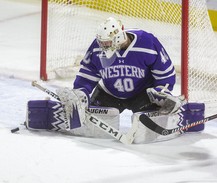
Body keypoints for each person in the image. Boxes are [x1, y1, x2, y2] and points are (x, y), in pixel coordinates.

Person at [52, 17, 204, 143]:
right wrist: (82, 92)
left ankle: (182, 115)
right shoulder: (97, 47)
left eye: (107, 43)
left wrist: (161, 91)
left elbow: (165, 74)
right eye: (101, 42)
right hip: (108, 93)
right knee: (92, 128)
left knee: (146, 130)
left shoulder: (147, 42)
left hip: (142, 95)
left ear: (118, 36)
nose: (103, 46)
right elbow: (88, 72)